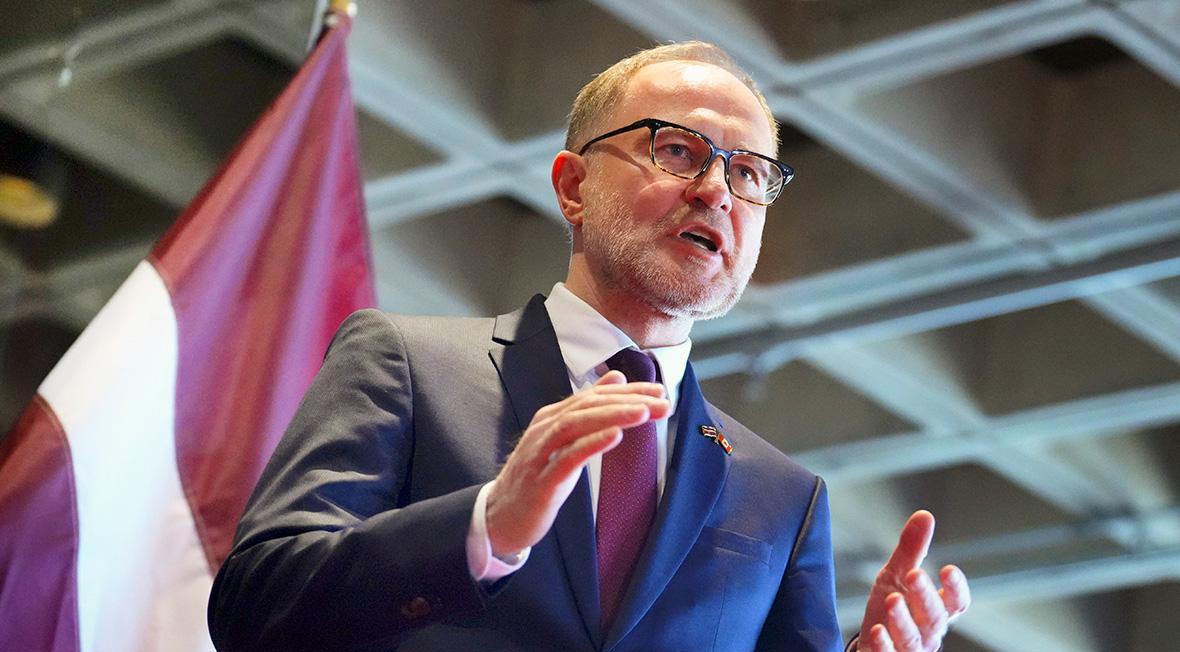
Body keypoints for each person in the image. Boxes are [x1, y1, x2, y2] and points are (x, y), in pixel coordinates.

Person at [208, 42, 970, 652]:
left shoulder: (784, 498)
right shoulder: (406, 365)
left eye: (748, 173)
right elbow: (255, 607)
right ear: (573, 187)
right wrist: (484, 529)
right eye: (678, 151)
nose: (715, 190)